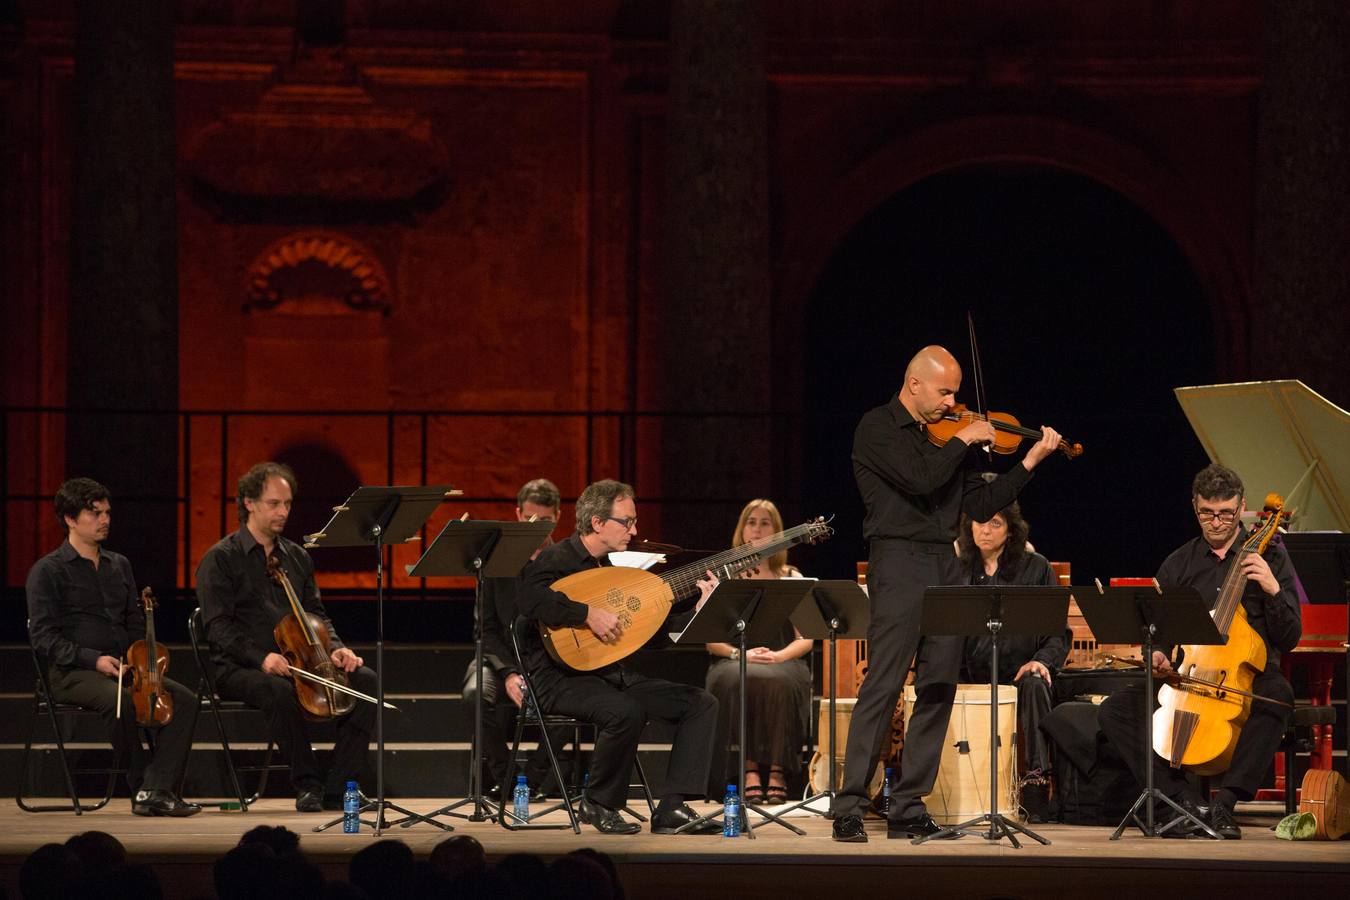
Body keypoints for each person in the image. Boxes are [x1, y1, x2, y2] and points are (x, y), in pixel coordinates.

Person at [831, 345, 1064, 842]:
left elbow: (980, 502)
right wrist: (962, 438)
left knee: (939, 685)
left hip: (946, 561)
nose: (953, 401)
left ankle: (908, 803)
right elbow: (920, 480)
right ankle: (850, 803)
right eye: (945, 391)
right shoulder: (876, 429)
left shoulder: (944, 438)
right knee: (885, 684)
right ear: (914, 383)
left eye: (956, 391)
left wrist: (1030, 461)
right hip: (897, 560)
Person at [1097, 463, 1299, 839]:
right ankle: (1182, 801)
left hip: (1249, 678)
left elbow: (1290, 637)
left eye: (1225, 513)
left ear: (1241, 509)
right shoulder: (1179, 563)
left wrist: (1273, 588)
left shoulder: (1270, 558)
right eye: (1208, 513)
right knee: (1115, 710)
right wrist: (1155, 653)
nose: (1217, 522)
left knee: (1279, 696)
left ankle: (1225, 806)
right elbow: (1154, 629)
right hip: (1187, 674)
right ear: (1195, 507)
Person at [516, 478, 721, 834]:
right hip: (556, 680)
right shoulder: (557, 558)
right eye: (627, 521)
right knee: (624, 711)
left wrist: (699, 612)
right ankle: (598, 804)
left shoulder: (612, 571)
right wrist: (585, 614)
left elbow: (653, 636)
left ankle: (671, 808)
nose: (635, 529)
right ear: (597, 523)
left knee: (700, 703)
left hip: (609, 677)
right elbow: (526, 599)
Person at [197, 461, 377, 812]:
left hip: (302, 660)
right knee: (279, 691)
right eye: (274, 504)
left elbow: (316, 614)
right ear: (249, 503)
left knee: (365, 681)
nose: (283, 511)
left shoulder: (296, 557)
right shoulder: (220, 559)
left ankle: (339, 787)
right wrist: (261, 658)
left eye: (288, 504)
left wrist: (336, 649)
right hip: (240, 667)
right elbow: (218, 628)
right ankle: (307, 784)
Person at [25, 478, 201, 817]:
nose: (104, 519)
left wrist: (142, 659)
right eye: (94, 513)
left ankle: (156, 787)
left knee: (186, 700)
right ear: (70, 519)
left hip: (125, 667)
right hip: (73, 672)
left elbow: (133, 621)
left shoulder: (119, 565)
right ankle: (142, 786)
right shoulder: (47, 571)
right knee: (117, 699)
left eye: (107, 512)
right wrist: (94, 661)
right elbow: (43, 637)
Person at [955, 496, 1068, 821]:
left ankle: (1035, 784)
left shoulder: (1036, 568)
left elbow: (1057, 633)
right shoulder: (958, 568)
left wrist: (1042, 661)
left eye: (995, 523)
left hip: (1019, 675)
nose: (985, 531)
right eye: (979, 521)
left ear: (1010, 530)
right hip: (971, 677)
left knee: (1035, 684)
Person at [463, 477, 571, 800]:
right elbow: (486, 630)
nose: (537, 526)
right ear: (518, 515)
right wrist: (510, 673)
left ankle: (534, 778)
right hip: (501, 661)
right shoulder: (495, 561)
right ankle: (506, 777)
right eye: (530, 519)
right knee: (475, 692)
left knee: (583, 690)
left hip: (551, 664)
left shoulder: (568, 562)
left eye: (546, 520)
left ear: (558, 517)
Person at [704, 499, 813, 803]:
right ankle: (749, 770)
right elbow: (711, 641)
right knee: (736, 678)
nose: (758, 528)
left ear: (777, 532)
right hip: (735, 658)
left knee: (781, 680)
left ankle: (777, 771)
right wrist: (742, 656)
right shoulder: (725, 577)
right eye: (752, 522)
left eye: (766, 522)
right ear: (742, 529)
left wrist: (778, 656)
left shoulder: (791, 576)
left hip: (781, 657)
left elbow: (806, 639)